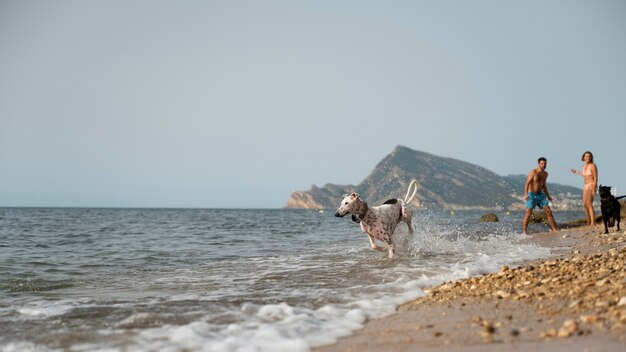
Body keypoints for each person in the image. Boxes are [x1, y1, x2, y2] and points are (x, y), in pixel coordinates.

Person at [522, 157, 558, 234]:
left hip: (541, 195)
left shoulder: (545, 174)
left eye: (545, 164)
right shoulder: (533, 172)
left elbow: (544, 185)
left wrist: (548, 196)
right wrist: (525, 194)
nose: (543, 165)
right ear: (538, 164)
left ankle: (554, 229)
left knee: (548, 211)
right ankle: (524, 232)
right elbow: (527, 183)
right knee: (528, 213)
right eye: (542, 163)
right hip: (532, 195)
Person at [570, 151, 598, 226]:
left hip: (591, 185)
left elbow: (595, 177)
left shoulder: (592, 165)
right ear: (583, 158)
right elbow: (585, 175)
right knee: (585, 205)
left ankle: (593, 223)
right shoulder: (585, 165)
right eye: (586, 156)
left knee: (589, 204)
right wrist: (577, 172)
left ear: (591, 157)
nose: (588, 157)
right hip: (585, 185)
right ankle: (588, 222)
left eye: (589, 156)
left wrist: (594, 188)